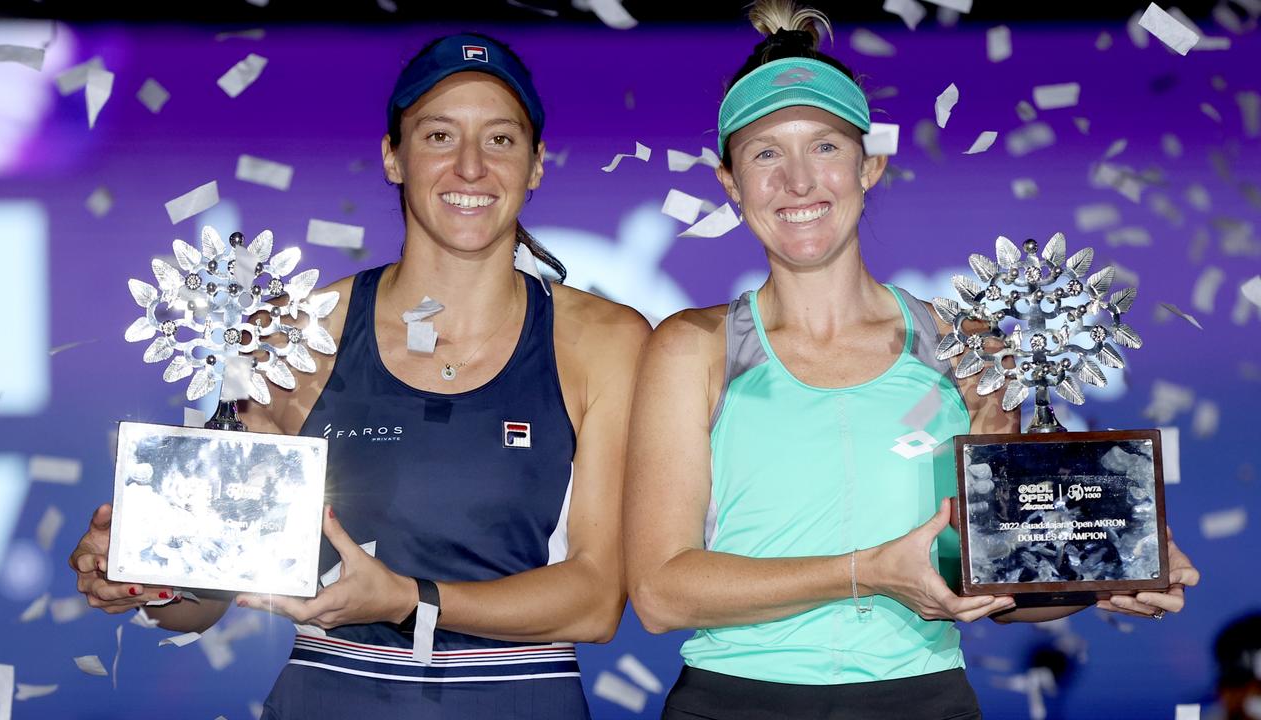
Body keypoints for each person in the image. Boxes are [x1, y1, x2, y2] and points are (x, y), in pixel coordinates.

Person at [622, 3, 1200, 718]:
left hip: (924, 702)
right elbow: (659, 593)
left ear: (871, 166)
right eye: (766, 153)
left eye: (826, 147)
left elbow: (996, 583)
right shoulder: (692, 347)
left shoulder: (965, 348)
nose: (798, 182)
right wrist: (867, 573)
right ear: (730, 184)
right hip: (734, 701)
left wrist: (1103, 566)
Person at [70, 32, 649, 719]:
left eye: (500, 139)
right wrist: (147, 578)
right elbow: (206, 599)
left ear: (536, 165)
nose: (470, 167)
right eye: (438, 136)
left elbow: (596, 599)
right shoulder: (298, 334)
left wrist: (410, 600)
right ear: (392, 156)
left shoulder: (606, 342)